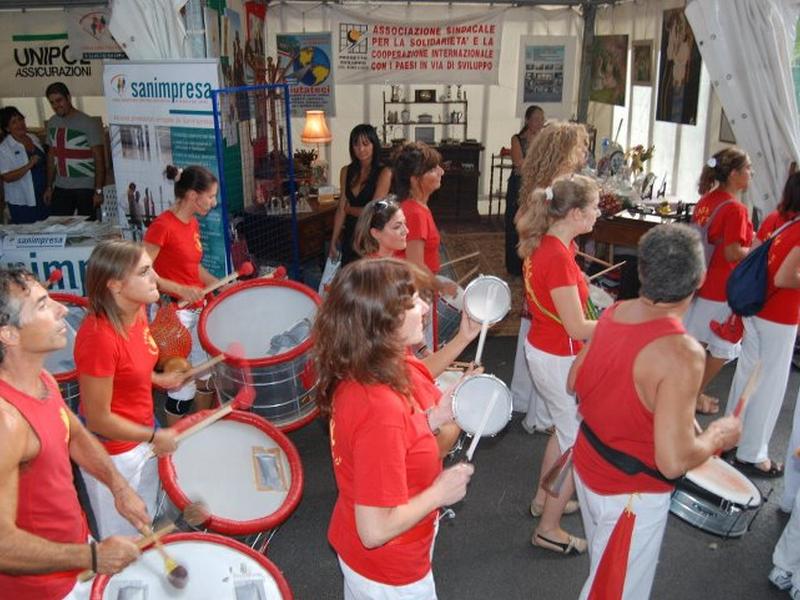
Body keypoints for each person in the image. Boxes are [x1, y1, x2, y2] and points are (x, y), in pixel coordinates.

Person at [570, 224, 741, 599]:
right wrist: (716, 436)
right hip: (630, 492)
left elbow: (574, 381)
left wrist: (668, 400)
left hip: (588, 464)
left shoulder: (616, 311)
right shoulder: (683, 353)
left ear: (642, 271)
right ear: (699, 278)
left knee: (603, 573)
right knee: (615, 591)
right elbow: (672, 461)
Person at [313, 258, 476, 599]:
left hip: (372, 557)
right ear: (385, 321)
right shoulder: (379, 405)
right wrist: (439, 494)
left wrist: (432, 418)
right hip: (388, 569)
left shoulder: (369, 366)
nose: (426, 306)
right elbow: (373, 530)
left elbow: (384, 442)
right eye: (414, 301)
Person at [0, 267, 146, 599]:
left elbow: (76, 436)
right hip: (42, 589)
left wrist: (118, 486)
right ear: (8, 334)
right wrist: (93, 556)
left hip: (75, 553)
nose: (62, 309)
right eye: (41, 305)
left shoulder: (43, 381)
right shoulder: (6, 421)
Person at [75, 240, 185, 538]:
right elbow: (98, 419)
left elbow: (130, 366)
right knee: (126, 544)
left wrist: (158, 379)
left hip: (142, 433)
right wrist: (153, 436)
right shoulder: (98, 337)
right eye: (145, 272)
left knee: (149, 525)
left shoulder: (137, 311)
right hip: (113, 455)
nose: (155, 279)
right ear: (115, 285)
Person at [516, 174, 600, 556]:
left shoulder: (550, 246)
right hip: (558, 357)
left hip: (545, 351)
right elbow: (577, 325)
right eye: (595, 208)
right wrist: (618, 321)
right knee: (576, 443)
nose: (598, 214)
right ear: (577, 214)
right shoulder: (557, 255)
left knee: (561, 430)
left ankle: (541, 498)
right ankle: (548, 528)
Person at [511, 122, 589, 434]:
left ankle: (534, 409)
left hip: (543, 267)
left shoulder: (544, 181)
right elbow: (524, 223)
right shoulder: (555, 187)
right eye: (579, 147)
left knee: (537, 338)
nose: (583, 153)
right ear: (564, 152)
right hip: (548, 269)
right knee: (549, 339)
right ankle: (540, 415)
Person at [724, 171, 800, 480]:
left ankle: (730, 437)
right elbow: (785, 278)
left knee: (747, 373)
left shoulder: (775, 219)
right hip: (780, 315)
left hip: (754, 307)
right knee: (770, 385)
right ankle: (753, 454)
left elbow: (754, 253)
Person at [143, 164, 220, 425]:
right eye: (210, 196)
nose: (214, 201)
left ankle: (199, 430)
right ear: (192, 196)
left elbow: (192, 268)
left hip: (197, 309)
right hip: (172, 315)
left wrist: (220, 284)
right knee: (182, 385)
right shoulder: (162, 226)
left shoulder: (192, 223)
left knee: (206, 376)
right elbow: (142, 271)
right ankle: (173, 446)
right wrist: (179, 289)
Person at [683, 147, 753, 416]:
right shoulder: (734, 208)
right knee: (723, 349)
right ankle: (692, 395)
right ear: (734, 174)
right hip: (723, 287)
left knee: (696, 344)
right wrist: (757, 248)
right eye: (747, 169)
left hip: (701, 282)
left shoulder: (707, 200)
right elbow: (732, 251)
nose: (751, 174)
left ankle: (686, 393)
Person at [329, 124, 392, 265]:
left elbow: (374, 211)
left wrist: (350, 209)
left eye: (366, 143)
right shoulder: (346, 171)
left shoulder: (384, 172)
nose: (361, 149)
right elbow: (340, 209)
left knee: (369, 282)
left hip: (371, 236)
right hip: (350, 235)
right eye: (356, 144)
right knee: (349, 280)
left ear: (374, 145)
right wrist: (334, 240)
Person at [43, 82, 106, 220]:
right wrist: (49, 186)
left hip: (85, 187)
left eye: (59, 100)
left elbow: (99, 159)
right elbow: (51, 156)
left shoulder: (88, 122)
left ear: (68, 97)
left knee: (87, 231)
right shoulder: (52, 122)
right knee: (59, 228)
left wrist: (98, 190)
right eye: (52, 102)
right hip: (60, 186)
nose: (56, 105)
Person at [506, 105, 545, 275]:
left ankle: (533, 265)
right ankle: (515, 266)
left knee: (535, 227)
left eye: (542, 119)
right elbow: (519, 164)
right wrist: (538, 163)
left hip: (538, 188)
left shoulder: (544, 140)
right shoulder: (517, 139)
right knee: (517, 224)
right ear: (527, 120)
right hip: (519, 187)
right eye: (536, 119)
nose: (539, 122)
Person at [0, 107, 47, 224]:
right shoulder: (4, 148)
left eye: (20, 119)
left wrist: (49, 188)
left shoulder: (33, 138)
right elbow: (7, 177)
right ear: (7, 128)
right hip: (23, 202)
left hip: (43, 197)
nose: (20, 124)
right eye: (14, 122)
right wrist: (29, 165)